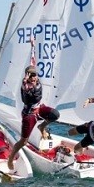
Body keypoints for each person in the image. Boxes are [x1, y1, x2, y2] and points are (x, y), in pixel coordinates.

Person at [7, 40, 60, 170]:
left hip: (39, 108)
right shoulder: (26, 84)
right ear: (27, 75)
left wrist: (33, 45)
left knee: (55, 114)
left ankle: (42, 126)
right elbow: (26, 86)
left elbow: (32, 60)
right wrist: (26, 78)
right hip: (29, 115)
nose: (34, 77)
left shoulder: (35, 76)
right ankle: (11, 158)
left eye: (35, 75)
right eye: (31, 75)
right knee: (24, 141)